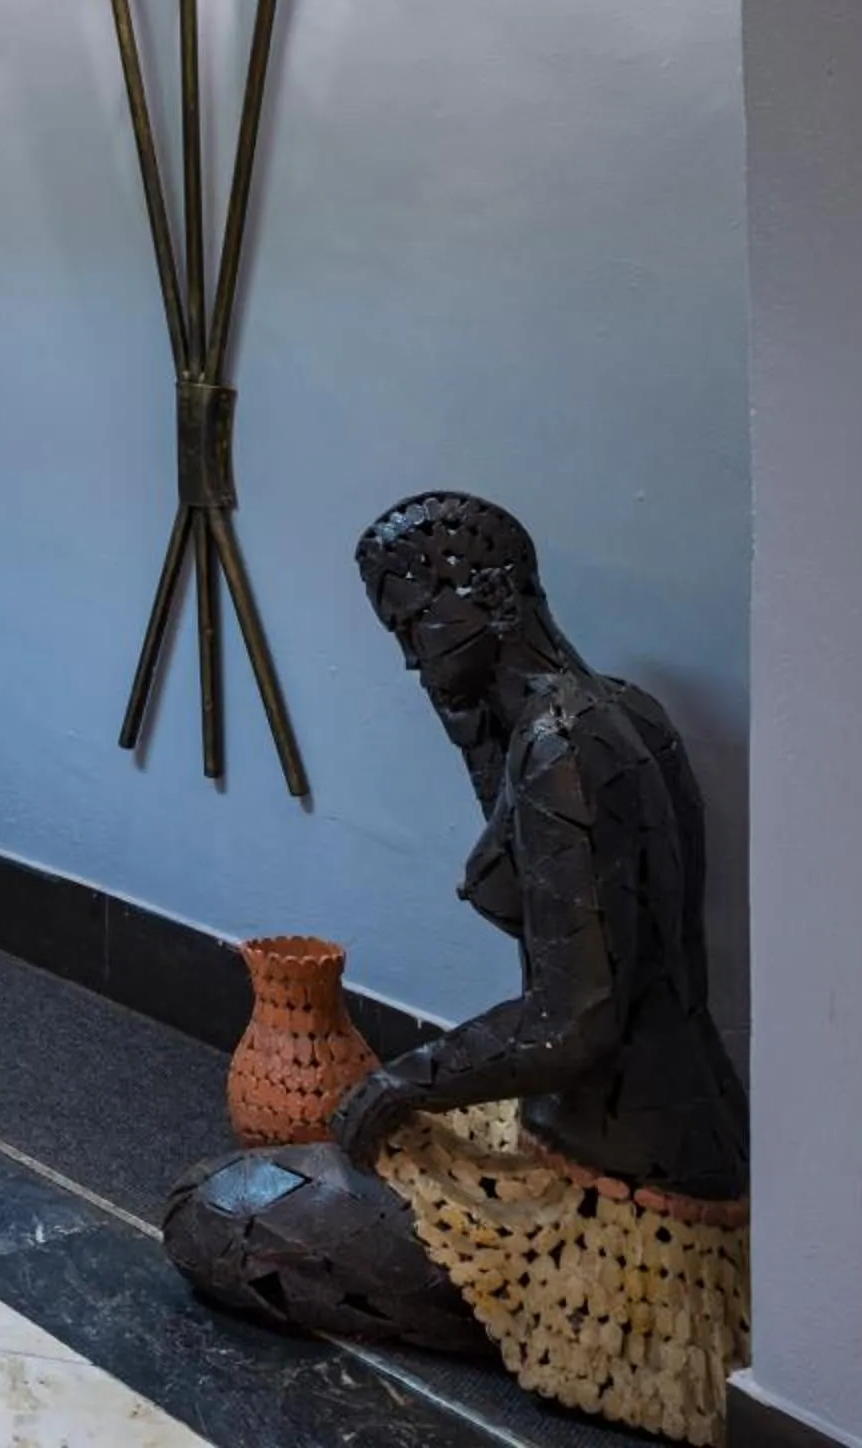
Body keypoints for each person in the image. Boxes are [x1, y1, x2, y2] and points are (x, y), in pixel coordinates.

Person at [163, 492, 749, 1445]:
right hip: (653, 1143)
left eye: (414, 622)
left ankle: (553, 1322)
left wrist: (404, 1080)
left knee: (216, 1209)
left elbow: (573, 1023)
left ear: (493, 596)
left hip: (610, 1187)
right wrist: (469, 724)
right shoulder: (606, 714)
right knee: (304, 1172)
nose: (407, 656)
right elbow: (528, 890)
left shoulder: (565, 745)